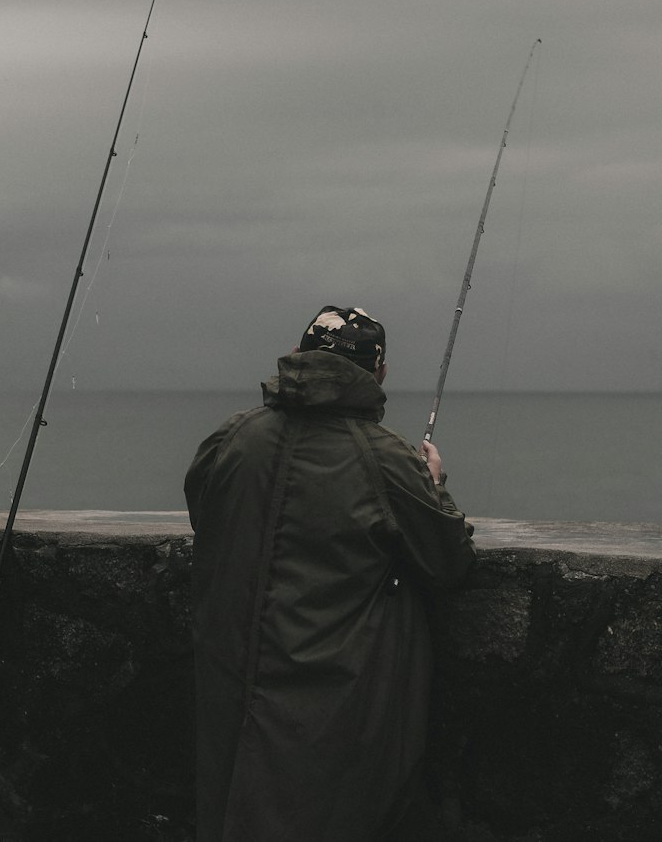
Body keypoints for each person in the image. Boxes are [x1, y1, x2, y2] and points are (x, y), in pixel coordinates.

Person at [184, 305, 476, 842]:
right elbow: (449, 561)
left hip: (231, 685)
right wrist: (431, 484)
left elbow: (207, 518)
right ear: (377, 374)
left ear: (299, 355)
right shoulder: (385, 459)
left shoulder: (231, 438)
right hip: (336, 704)